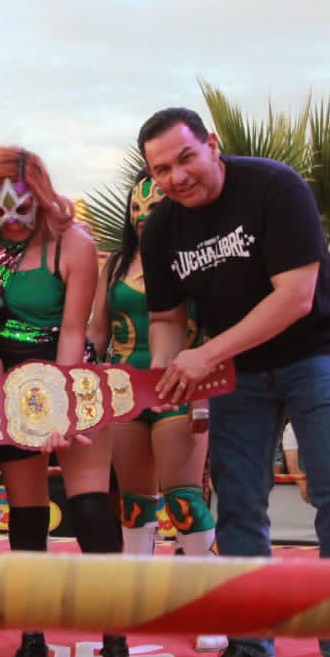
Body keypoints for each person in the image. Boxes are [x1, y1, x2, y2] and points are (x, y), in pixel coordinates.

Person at [138, 106, 330, 657]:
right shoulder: (161, 226)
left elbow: (294, 297)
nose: (177, 176)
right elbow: (166, 319)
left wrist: (203, 355)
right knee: (238, 500)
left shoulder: (274, 185)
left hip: (315, 353)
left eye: (185, 157)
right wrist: (167, 371)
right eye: (161, 169)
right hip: (235, 372)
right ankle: (250, 645)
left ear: (212, 145)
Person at [0, 147, 128, 657]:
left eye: (25, 206)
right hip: (6, 387)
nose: (14, 217)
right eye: (2, 205)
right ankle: (33, 643)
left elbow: (74, 332)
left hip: (70, 381)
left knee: (91, 510)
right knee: (25, 516)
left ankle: (116, 650)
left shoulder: (73, 245)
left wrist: (62, 406)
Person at [89, 171, 215, 561]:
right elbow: (97, 333)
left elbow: (212, 335)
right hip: (125, 391)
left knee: (184, 499)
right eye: (137, 207)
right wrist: (84, 383)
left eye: (155, 207)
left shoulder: (200, 260)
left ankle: (209, 603)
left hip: (182, 387)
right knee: (133, 502)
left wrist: (204, 399)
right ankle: (137, 597)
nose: (144, 217)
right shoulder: (114, 265)